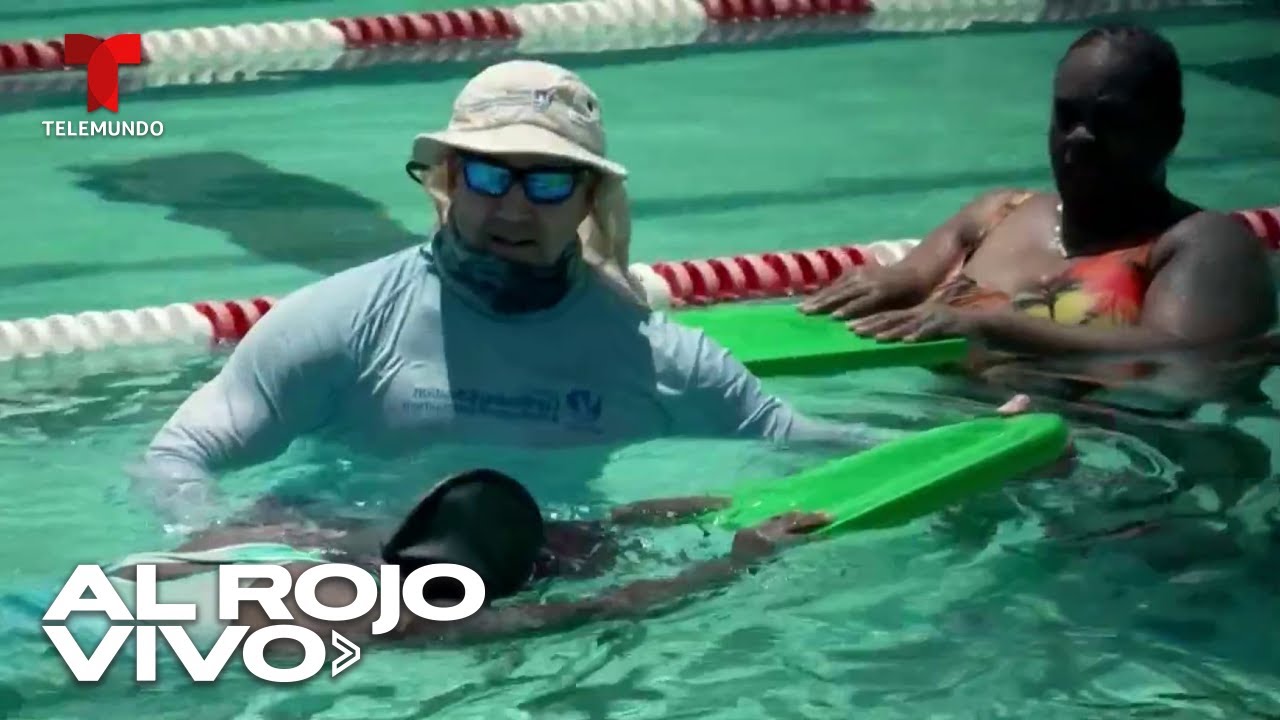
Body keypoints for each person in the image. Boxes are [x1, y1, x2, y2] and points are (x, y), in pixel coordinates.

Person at [135, 59, 892, 535]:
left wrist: (976, 442)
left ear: (589, 198)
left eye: (549, 180)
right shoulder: (344, 324)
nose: (515, 209)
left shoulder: (653, 357)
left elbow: (793, 440)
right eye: (491, 176)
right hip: (340, 574)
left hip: (551, 586)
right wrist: (233, 550)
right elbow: (178, 456)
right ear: (447, 182)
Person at [799, 25, 1276, 396]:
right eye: (1068, 118)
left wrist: (998, 327)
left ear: (1170, 129)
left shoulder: (1206, 244)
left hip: (1106, 468)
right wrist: (884, 286)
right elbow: (911, 278)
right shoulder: (997, 212)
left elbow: (1189, 352)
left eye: (1110, 121)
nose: (1081, 138)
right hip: (942, 442)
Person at [74, 469, 830, 648]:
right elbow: (606, 605)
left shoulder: (288, 534)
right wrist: (740, 561)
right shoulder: (397, 616)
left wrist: (629, 515)